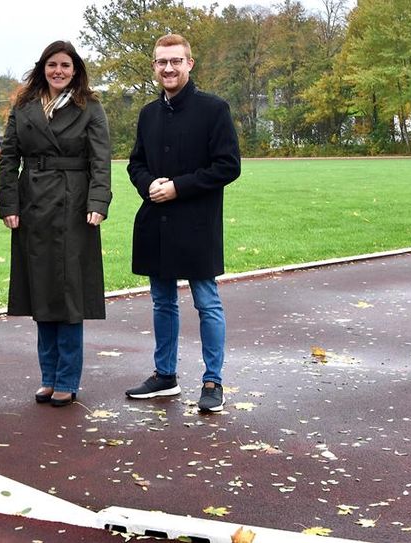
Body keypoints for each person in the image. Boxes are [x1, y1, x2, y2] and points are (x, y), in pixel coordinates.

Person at [125, 34, 241, 412]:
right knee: (162, 302)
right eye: (162, 62)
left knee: (207, 302)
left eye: (176, 61)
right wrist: (148, 184)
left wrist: (178, 187)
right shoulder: (148, 113)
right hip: (156, 223)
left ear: (190, 64)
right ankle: (165, 376)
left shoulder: (214, 109)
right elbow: (135, 163)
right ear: (155, 66)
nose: (169, 68)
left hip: (196, 224)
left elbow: (228, 165)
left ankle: (213, 380)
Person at [0, 41, 111, 407]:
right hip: (31, 206)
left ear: (75, 69)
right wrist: (9, 203)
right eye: (52, 65)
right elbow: (9, 157)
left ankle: (66, 378)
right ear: (43, 67)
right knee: (40, 292)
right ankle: (48, 376)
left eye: (65, 65)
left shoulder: (89, 107)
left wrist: (98, 201)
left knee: (68, 294)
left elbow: (101, 160)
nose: (58, 71)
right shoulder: (25, 106)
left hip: (74, 207)